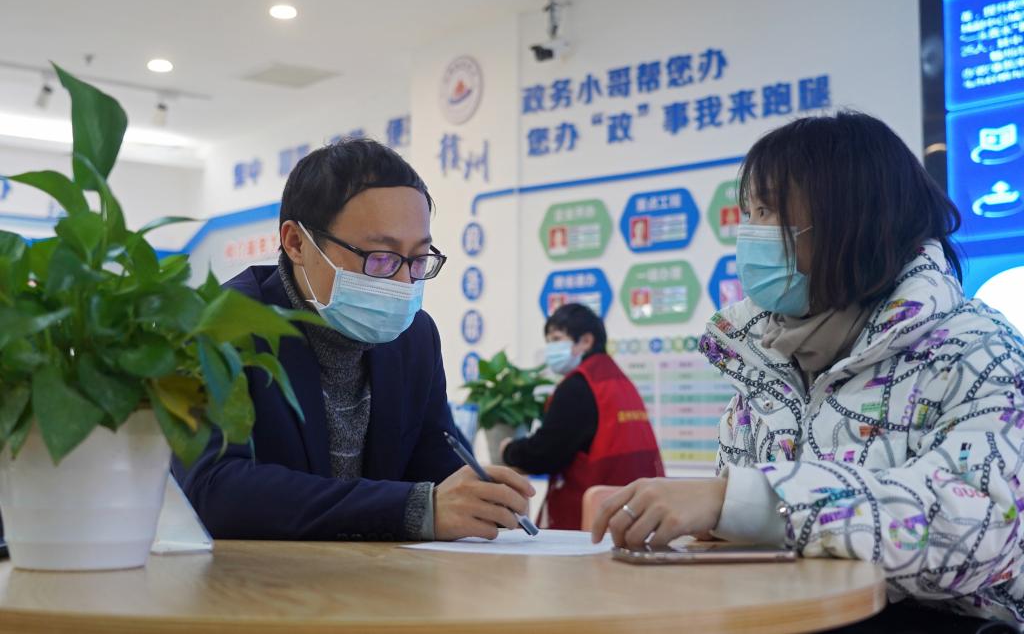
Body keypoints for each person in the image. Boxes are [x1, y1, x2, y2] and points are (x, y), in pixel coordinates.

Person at [591, 112, 1024, 632]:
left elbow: (980, 527)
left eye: (768, 210)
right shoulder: (761, 360)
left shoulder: (977, 350)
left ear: (851, 218)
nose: (750, 232)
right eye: (748, 212)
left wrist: (743, 502)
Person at [173, 138, 534, 542]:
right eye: (380, 258)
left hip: (376, 574)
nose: (404, 282)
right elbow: (214, 489)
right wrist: (411, 509)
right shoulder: (218, 326)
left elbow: (434, 462)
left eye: (418, 260)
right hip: (254, 577)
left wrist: (481, 496)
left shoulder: (414, 337)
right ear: (296, 243)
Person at [502, 303, 663, 530]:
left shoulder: (578, 386)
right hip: (636, 513)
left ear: (586, 341)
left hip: (592, 519)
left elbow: (546, 452)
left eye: (556, 339)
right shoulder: (618, 381)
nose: (550, 349)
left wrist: (508, 451)